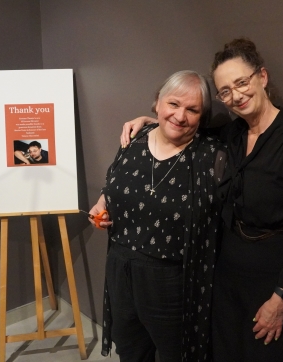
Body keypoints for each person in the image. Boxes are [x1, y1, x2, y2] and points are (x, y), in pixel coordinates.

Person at [120, 38, 283, 362]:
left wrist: (282, 298)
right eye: (225, 91)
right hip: (226, 278)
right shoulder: (232, 134)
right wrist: (150, 124)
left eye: (241, 82)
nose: (236, 95)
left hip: (272, 282)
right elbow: (183, 129)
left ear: (262, 77)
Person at [88, 70, 226, 361]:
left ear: (202, 117)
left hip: (170, 280)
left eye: (192, 110)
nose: (180, 116)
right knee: (130, 352)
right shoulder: (132, 141)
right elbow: (112, 186)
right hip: (120, 268)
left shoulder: (210, 156)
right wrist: (101, 205)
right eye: (173, 104)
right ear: (157, 103)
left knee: (176, 354)